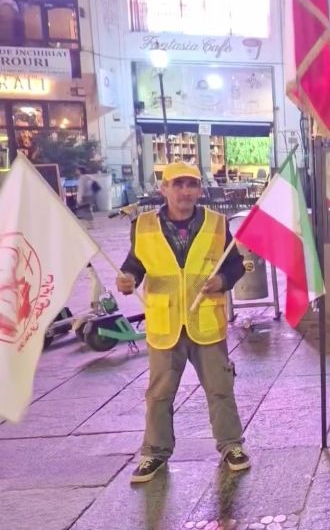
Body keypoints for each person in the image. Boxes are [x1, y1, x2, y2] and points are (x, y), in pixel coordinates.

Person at [116, 162, 249, 483]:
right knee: (159, 393)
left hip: (206, 320)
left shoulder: (216, 224)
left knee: (220, 387)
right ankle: (154, 452)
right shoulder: (143, 225)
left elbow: (235, 265)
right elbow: (135, 264)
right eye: (177, 184)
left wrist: (222, 281)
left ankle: (231, 445)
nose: (185, 191)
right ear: (163, 189)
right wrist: (128, 279)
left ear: (200, 190)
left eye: (191, 185)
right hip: (165, 323)